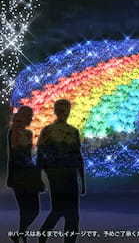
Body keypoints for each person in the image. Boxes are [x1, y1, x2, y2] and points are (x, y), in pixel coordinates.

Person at [37, 100, 86, 243]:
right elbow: (41, 155)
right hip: (58, 176)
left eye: (65, 110)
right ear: (56, 111)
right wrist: (40, 177)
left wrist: (82, 180)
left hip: (68, 176)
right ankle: (43, 236)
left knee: (70, 215)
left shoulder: (72, 131)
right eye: (61, 110)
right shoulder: (49, 131)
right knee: (61, 211)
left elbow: (78, 156)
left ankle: (44, 236)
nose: (64, 113)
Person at [7, 106, 45, 243]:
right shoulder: (14, 133)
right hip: (19, 175)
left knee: (33, 209)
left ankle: (20, 234)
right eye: (29, 116)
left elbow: (28, 155)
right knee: (26, 209)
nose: (31, 119)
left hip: (28, 175)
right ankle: (21, 235)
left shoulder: (28, 133)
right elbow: (18, 154)